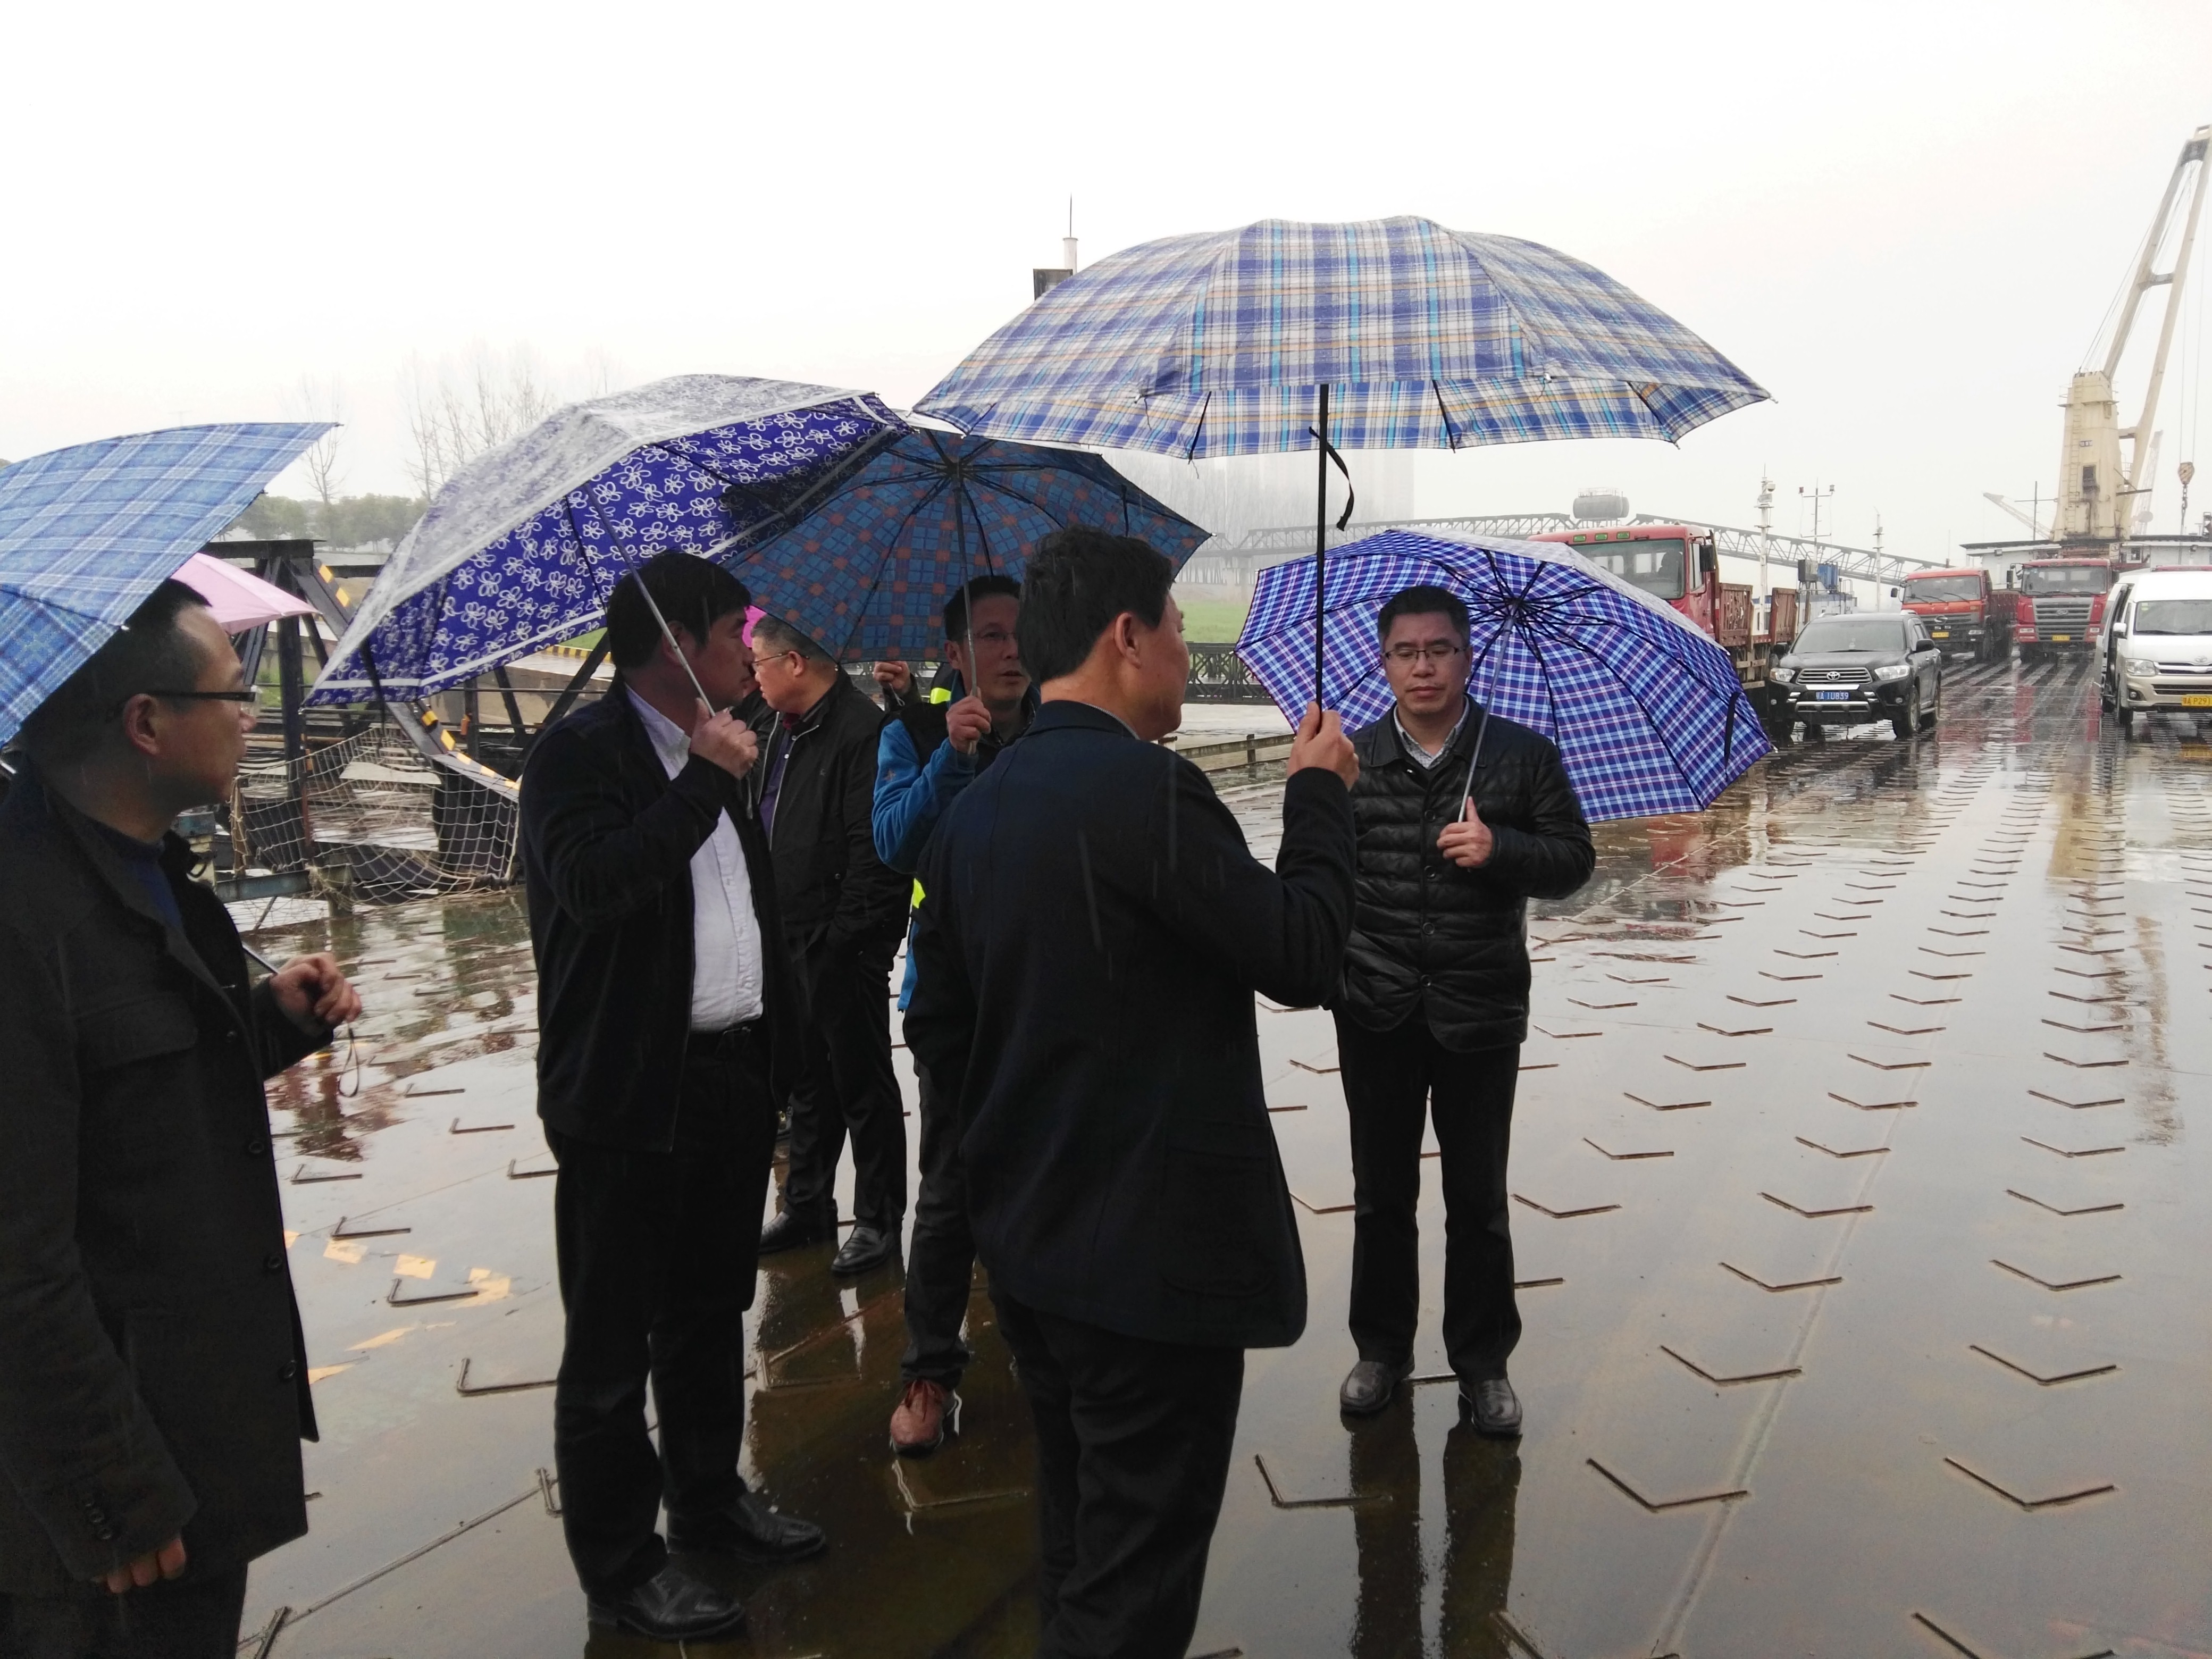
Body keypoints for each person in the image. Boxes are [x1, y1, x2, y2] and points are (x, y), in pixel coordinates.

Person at [906, 526, 1359, 1657]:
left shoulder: (973, 812)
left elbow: (937, 1029)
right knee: (1134, 1588)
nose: (1183, 653)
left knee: (1076, 1533)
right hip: (1150, 1269)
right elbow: (1301, 955)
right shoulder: (1151, 794)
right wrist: (1318, 799)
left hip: (1030, 1246)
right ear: (1127, 636)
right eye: (1175, 629)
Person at [0, 580, 361, 1658]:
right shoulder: (23, 923)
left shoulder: (150, 870)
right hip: (116, 1483)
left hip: (194, 1422)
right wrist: (105, 1488)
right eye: (231, 693)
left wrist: (269, 1021)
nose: (252, 716)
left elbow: (142, 1095)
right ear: (146, 722)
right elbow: (16, 1251)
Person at [520, 554, 823, 1646]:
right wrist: (700, 782)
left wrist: (784, 1052)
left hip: (729, 1080)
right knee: (611, 1346)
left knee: (707, 1313)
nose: (750, 649)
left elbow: (746, 909)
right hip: (627, 1096)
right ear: (675, 642)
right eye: (734, 631)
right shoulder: (578, 756)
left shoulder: (725, 747)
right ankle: (620, 1564)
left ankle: (708, 1498)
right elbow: (596, 887)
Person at [1330, 584, 1594, 1436]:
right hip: (1375, 1008)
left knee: (1477, 1198)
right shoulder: (1351, 758)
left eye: (1439, 649)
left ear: (1468, 657)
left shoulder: (1521, 755)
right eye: (1406, 653)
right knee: (1381, 1193)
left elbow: (1574, 861)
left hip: (1479, 1008)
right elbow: (1316, 872)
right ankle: (1381, 1351)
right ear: (1384, 663)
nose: (1423, 667)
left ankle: (1483, 1365)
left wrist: (1499, 847)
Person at [870, 575, 1036, 1456]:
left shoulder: (1060, 728)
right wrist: (951, 758)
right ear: (954, 654)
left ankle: (1047, 1343)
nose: (1010, 650)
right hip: (954, 998)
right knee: (949, 1190)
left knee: (1048, 1174)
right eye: (990, 636)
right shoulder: (912, 733)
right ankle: (929, 1370)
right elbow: (893, 842)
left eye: (1019, 633)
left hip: (1044, 991)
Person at [750, 617, 911, 1273]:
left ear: (794, 663)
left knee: (860, 1083)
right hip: (785, 935)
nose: (753, 675)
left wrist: (845, 940)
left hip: (841, 944)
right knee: (806, 1082)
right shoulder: (776, 731)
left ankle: (877, 1219)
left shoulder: (859, 731)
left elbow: (873, 852)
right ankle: (808, 1206)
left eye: (759, 662)